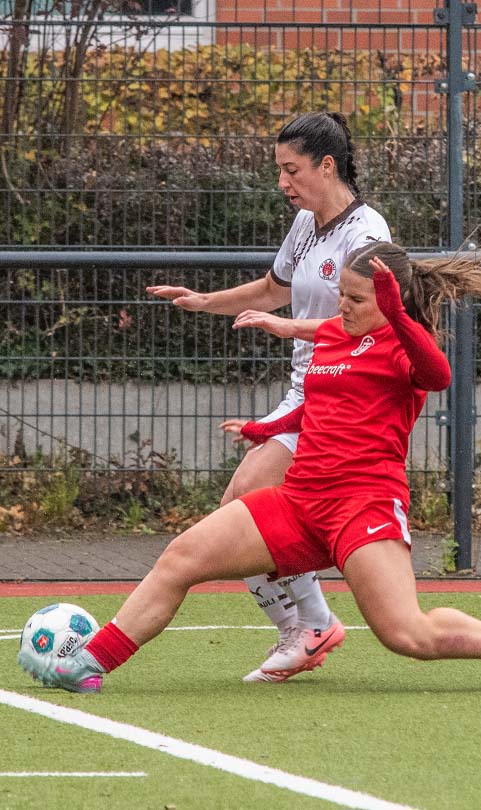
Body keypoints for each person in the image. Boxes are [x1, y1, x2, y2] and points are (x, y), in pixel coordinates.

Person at [32, 241, 481, 695]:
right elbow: (319, 402)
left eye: (356, 298)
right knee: (181, 557)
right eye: (341, 293)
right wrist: (264, 429)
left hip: (363, 505)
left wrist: (396, 316)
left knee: (406, 635)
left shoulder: (403, 346)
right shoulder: (333, 335)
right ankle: (88, 663)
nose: (342, 305)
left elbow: (438, 376)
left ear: (389, 300)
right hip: (300, 501)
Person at [145, 111, 391, 683]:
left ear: (326, 166)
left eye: (291, 169)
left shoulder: (366, 233)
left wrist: (289, 329)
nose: (282, 182)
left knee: (248, 503)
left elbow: (368, 323)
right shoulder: (306, 224)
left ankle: (313, 624)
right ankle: (305, 624)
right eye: (279, 170)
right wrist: (204, 301)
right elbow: (272, 290)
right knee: (239, 509)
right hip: (304, 390)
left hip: (341, 391)